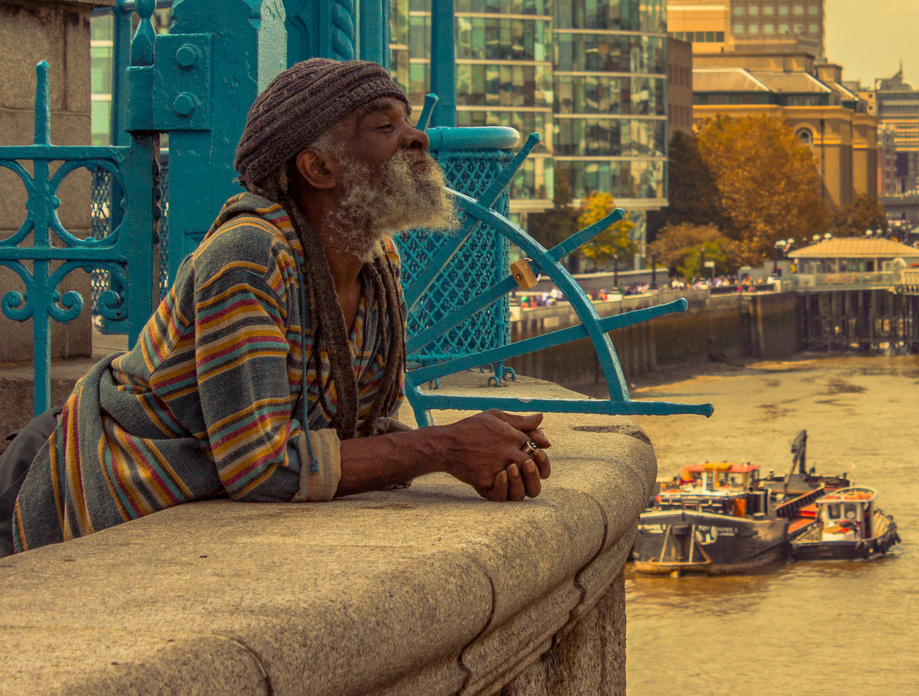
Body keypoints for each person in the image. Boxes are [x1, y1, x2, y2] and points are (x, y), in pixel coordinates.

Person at [2, 59, 552, 555]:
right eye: (385, 127)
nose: (418, 138)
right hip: (67, 474)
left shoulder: (378, 260)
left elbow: (358, 433)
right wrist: (446, 447)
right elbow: (259, 468)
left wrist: (485, 447)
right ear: (317, 168)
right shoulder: (248, 256)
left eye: (408, 123)